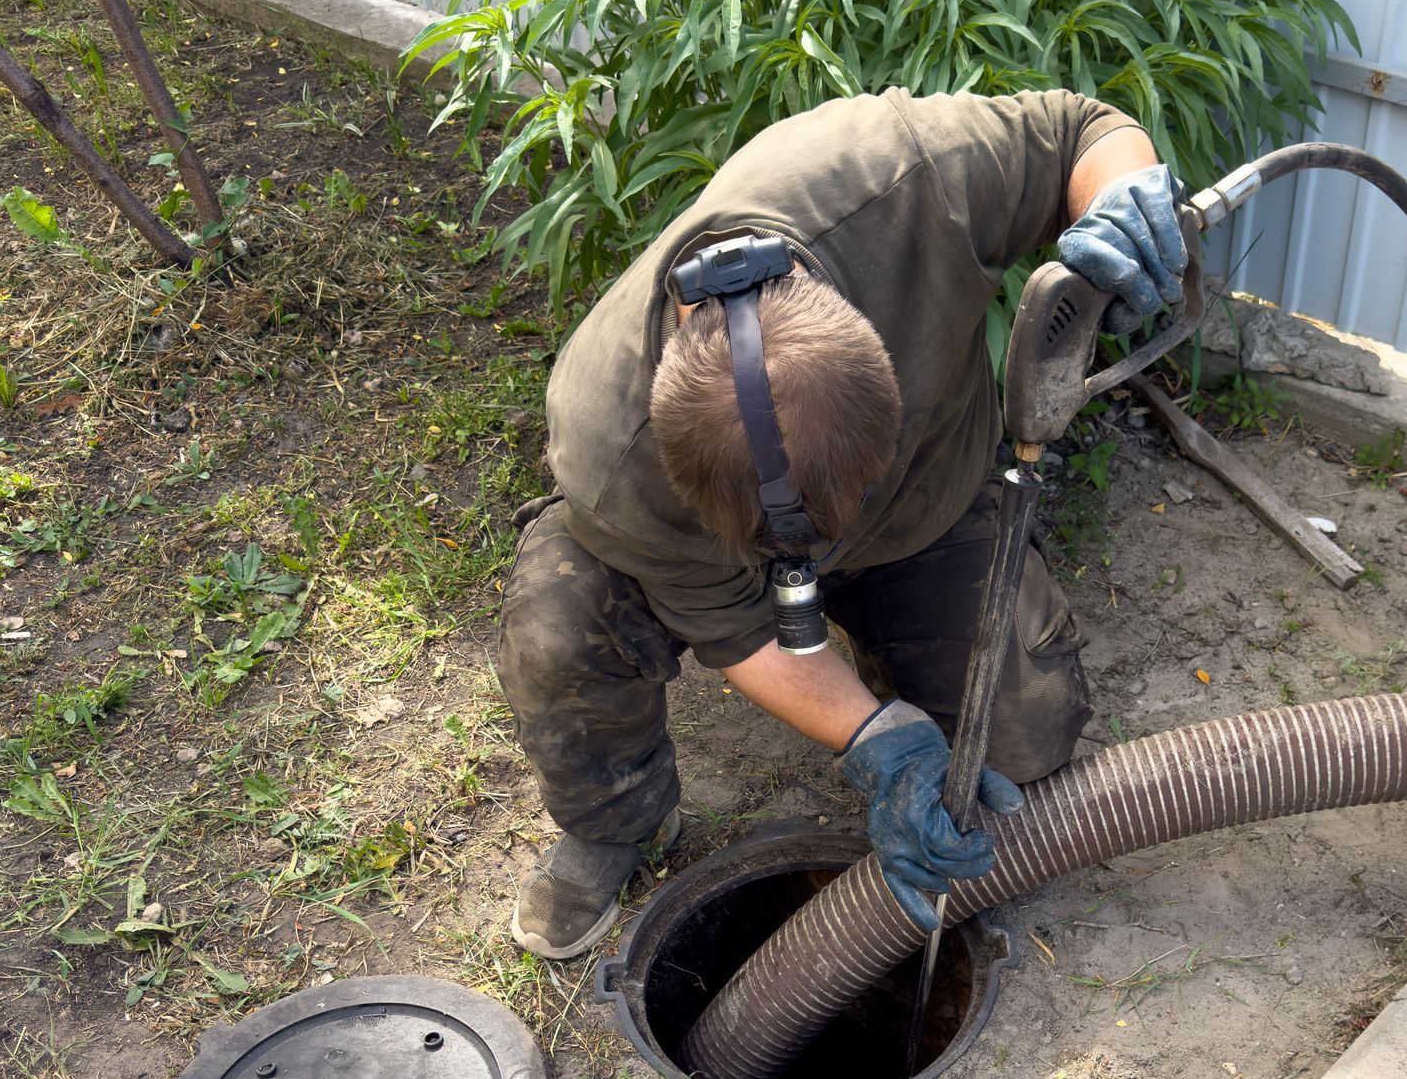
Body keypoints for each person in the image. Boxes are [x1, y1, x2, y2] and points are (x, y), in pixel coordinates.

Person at [501, 88, 1190, 959]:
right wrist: (880, 741)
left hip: (923, 515)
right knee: (560, 622)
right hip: (697, 549)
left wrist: (1124, 204)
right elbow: (736, 627)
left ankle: (893, 638)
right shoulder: (614, 441)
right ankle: (617, 821)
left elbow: (1087, 131)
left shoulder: (908, 178)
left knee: (1019, 740)